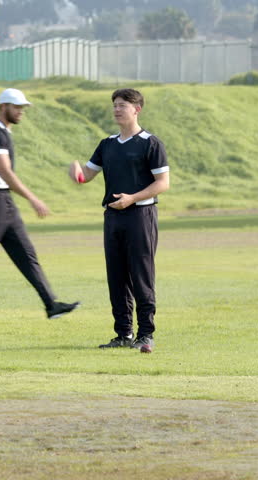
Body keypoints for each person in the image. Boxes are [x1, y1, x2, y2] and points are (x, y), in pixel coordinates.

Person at [0, 88, 80, 324]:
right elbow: (4, 170)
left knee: (27, 256)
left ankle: (51, 305)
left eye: (22, 108)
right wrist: (32, 198)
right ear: (3, 107)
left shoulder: (3, 133)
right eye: (16, 107)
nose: (20, 112)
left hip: (3, 202)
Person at [68, 88, 170, 351]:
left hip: (140, 216)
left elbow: (163, 183)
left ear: (136, 109)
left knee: (141, 275)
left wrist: (132, 198)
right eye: (114, 104)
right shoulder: (107, 144)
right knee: (116, 276)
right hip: (113, 217)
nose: (116, 109)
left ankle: (146, 334)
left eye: (122, 105)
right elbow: (86, 176)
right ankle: (123, 333)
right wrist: (76, 172)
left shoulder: (150, 143)